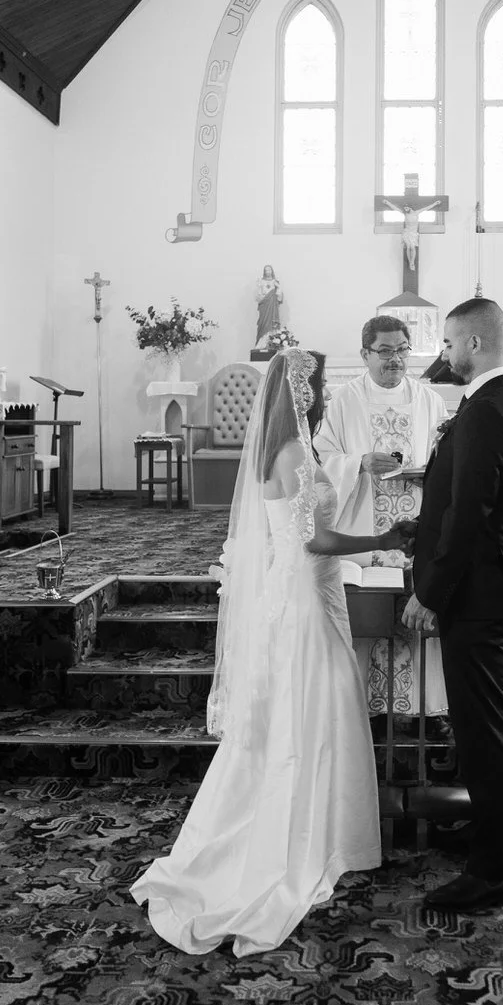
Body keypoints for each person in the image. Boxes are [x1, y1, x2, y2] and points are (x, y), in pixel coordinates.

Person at [131, 348, 412, 955]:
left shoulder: (294, 450)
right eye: (305, 385)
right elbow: (314, 540)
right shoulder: (289, 452)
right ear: (288, 394)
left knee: (321, 706)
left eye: (316, 384)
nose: (312, 395)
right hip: (307, 596)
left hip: (313, 588)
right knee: (316, 706)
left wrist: (369, 555)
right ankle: (300, 841)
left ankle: (332, 832)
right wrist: (382, 538)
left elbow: (304, 535)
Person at [402, 298, 503, 912]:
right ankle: (484, 833)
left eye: (450, 344)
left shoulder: (483, 410)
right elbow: (459, 502)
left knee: (483, 733)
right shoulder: (496, 400)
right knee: (477, 727)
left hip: (477, 592)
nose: (443, 355)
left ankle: (495, 871)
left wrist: (430, 592)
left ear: (473, 344)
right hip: (481, 585)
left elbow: (471, 515)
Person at [314, 316, 453, 715]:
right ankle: (365, 708)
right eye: (385, 351)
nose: (395, 359)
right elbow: (322, 458)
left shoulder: (429, 400)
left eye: (402, 350)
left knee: (418, 607)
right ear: (365, 354)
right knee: (369, 616)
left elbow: (445, 460)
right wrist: (356, 463)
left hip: (415, 524)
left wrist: (430, 473)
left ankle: (421, 707)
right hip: (365, 526)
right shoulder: (344, 400)